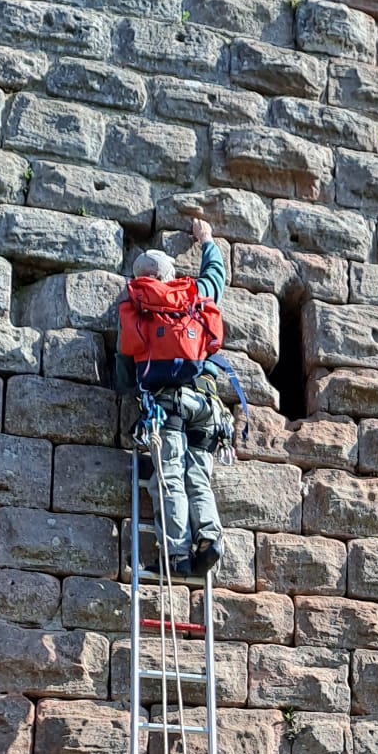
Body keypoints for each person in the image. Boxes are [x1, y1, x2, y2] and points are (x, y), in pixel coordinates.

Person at [127, 217, 227, 578]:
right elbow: (216, 276)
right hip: (206, 404)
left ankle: (178, 555)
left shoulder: (138, 308)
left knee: (169, 477)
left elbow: (126, 368)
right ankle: (210, 537)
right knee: (197, 476)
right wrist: (207, 239)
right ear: (170, 274)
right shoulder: (193, 295)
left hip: (166, 405)